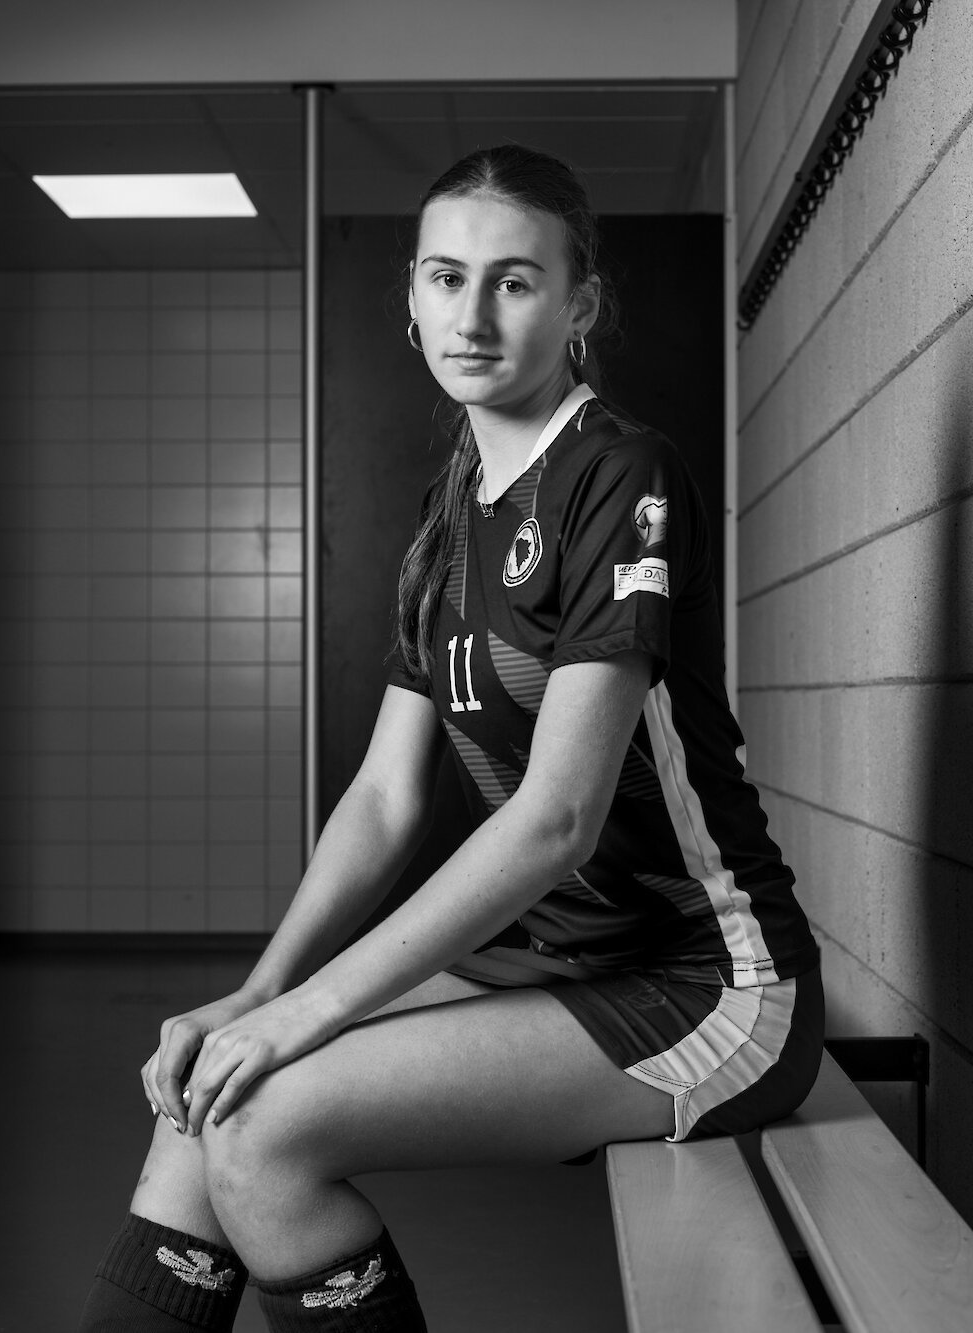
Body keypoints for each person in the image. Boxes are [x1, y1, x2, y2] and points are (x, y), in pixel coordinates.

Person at [78, 144, 823, 1333]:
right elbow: (382, 798)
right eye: (444, 277)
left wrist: (312, 1011)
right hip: (559, 956)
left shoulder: (621, 474)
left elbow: (556, 819)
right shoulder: (452, 512)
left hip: (709, 982)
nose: (470, 314)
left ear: (579, 306)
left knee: (266, 1127)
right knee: (210, 1094)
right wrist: (262, 992)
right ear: (412, 299)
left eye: (515, 282)